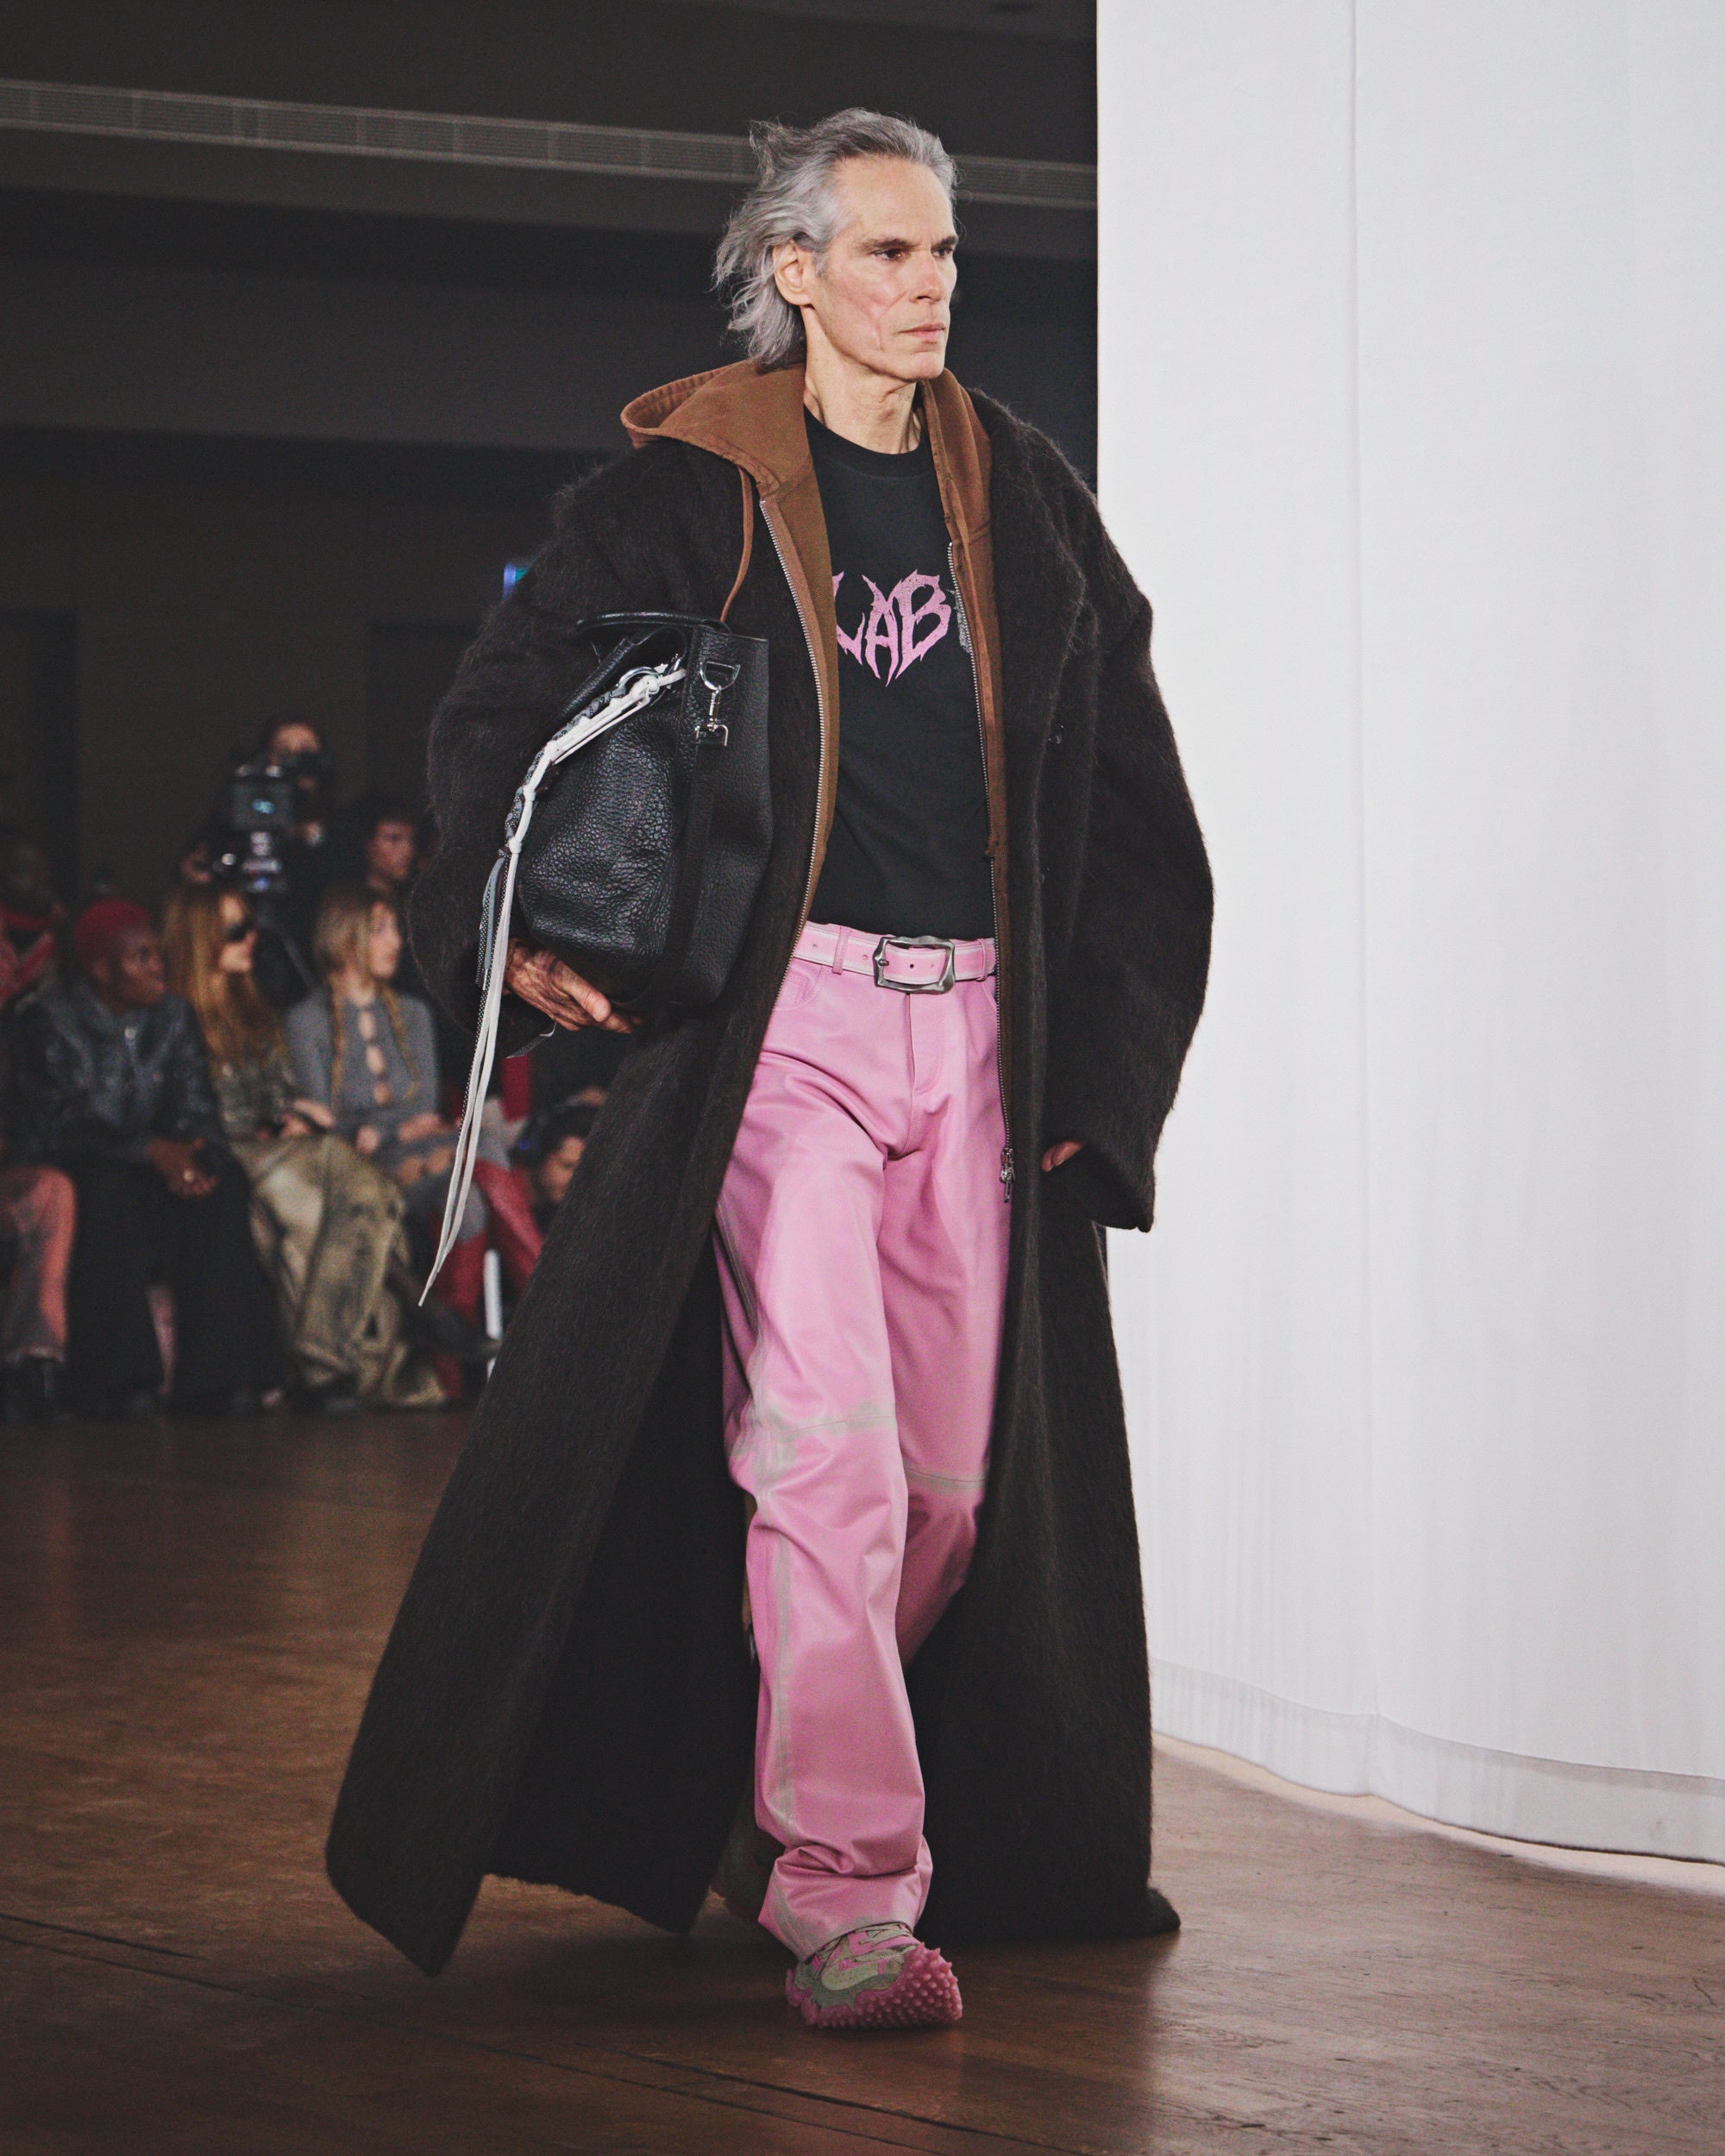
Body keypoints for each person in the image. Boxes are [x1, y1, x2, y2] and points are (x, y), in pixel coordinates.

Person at [328, 110, 1213, 2033]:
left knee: (950, 1493)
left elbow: (1136, 790)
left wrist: (1107, 1070)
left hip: (980, 1035)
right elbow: (498, 711)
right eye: (887, 252)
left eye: (945, 252)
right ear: (794, 272)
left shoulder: (1020, 493)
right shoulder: (684, 489)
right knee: (823, 1456)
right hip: (780, 1032)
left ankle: (773, 1766)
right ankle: (850, 1896)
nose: (929, 285)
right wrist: (508, 922)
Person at [160, 884, 444, 1412]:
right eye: (235, 929)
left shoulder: (251, 1004)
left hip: (276, 1146)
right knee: (355, 1191)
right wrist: (277, 1118)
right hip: (231, 1152)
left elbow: (277, 1087)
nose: (251, 938)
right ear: (200, 938)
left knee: (324, 1213)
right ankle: (353, 1351)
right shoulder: (175, 1013)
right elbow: (192, 1107)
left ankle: (328, 1368)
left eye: (250, 925)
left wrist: (292, 1112)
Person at [6, 899, 285, 1419]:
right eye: (141, 958)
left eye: (157, 954)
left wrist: (196, 1156)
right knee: (105, 1193)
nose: (158, 967)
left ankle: (223, 1378)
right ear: (101, 970)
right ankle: (118, 1382)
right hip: (84, 1162)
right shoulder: (47, 1018)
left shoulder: (173, 1015)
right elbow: (60, 1124)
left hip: (159, 1163)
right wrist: (150, 1150)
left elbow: (198, 1104)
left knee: (224, 1184)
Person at [284, 887, 532, 1370]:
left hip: (420, 1155)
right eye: (381, 930)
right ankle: (548, 1298)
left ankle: (449, 1366)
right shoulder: (307, 1021)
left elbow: (423, 1103)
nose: (396, 941)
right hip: (359, 1168)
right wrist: (393, 1132)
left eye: (394, 930)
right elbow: (326, 1119)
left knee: (469, 1200)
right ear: (346, 939)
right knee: (479, 1152)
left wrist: (386, 1131)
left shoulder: (413, 1013)